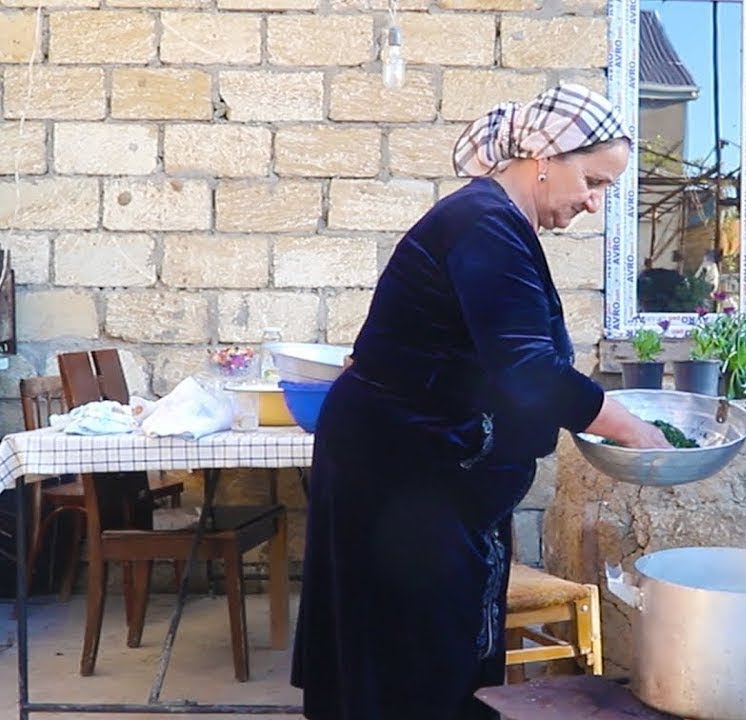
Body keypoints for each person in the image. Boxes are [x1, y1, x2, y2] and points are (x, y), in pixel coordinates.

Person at [291, 83, 671, 720]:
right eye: (594, 181)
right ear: (547, 156)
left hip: (425, 470)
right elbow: (527, 367)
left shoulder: (496, 223)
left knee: (425, 644)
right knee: (415, 650)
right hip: (402, 475)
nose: (593, 202)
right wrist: (630, 427)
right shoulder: (483, 224)